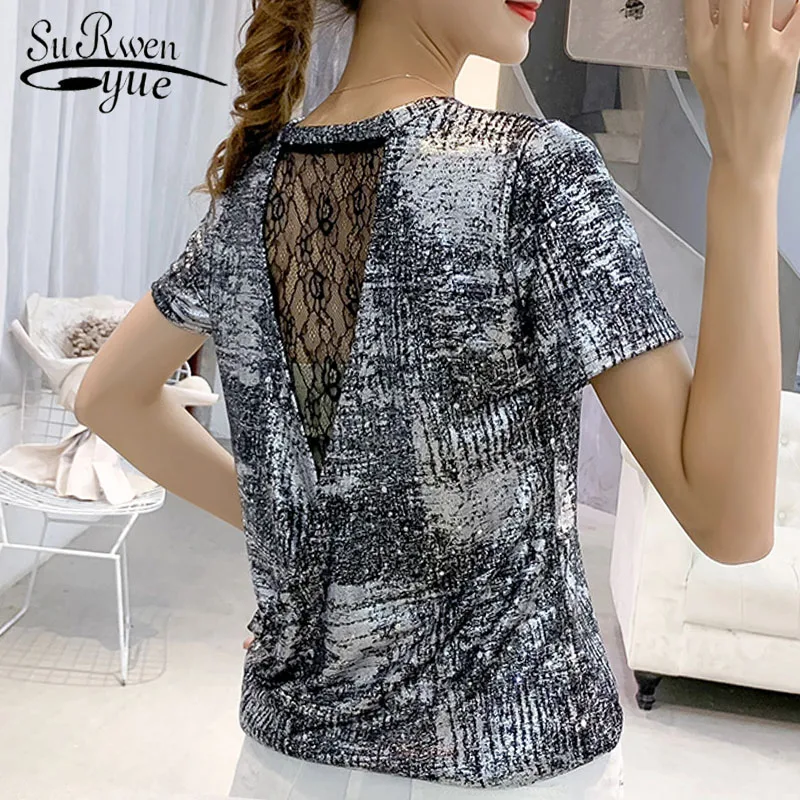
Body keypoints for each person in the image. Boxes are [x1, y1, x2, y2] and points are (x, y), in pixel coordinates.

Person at [73, 0, 800, 797]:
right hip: (514, 763)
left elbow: (109, 395)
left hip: (285, 765)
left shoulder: (256, 185)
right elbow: (729, 522)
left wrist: (311, 552)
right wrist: (746, 167)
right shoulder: (535, 173)